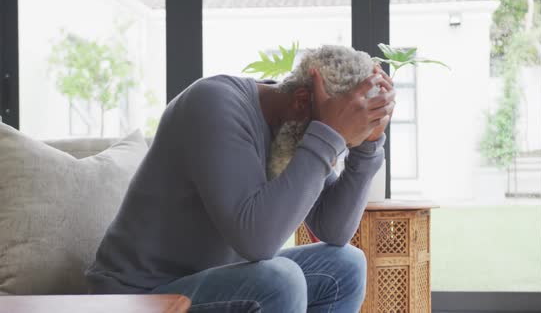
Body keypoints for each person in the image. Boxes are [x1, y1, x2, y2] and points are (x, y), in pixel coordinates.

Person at [86, 45, 395, 312]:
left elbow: (333, 229)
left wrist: (367, 147)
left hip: (207, 284)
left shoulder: (292, 128)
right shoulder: (214, 104)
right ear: (302, 100)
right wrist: (328, 137)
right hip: (139, 297)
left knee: (346, 266)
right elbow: (257, 243)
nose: (334, 148)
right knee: (280, 280)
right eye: (334, 137)